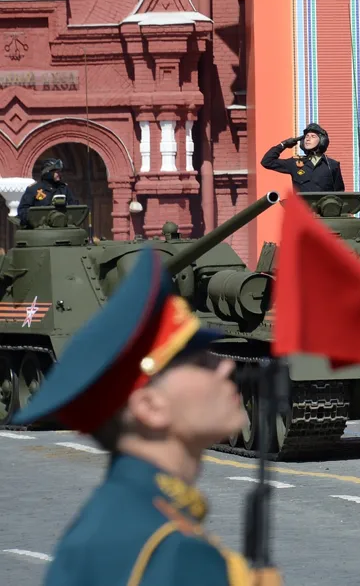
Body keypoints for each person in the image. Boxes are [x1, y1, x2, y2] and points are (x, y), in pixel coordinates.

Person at [13, 248, 277, 585]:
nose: (225, 365)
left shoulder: (112, 521)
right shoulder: (175, 552)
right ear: (150, 407)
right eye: (199, 362)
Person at [260, 123, 345, 193]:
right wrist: (283, 144)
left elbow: (340, 193)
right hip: (302, 212)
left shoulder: (332, 165)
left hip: (325, 211)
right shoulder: (295, 162)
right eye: (306, 136)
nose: (308, 139)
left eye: (313, 136)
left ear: (322, 141)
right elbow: (267, 162)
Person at [17, 158, 80, 228]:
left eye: (60, 171)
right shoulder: (33, 189)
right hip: (40, 230)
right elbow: (22, 210)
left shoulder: (64, 188)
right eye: (56, 172)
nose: (59, 174)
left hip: (61, 228)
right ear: (47, 172)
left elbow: (74, 207)